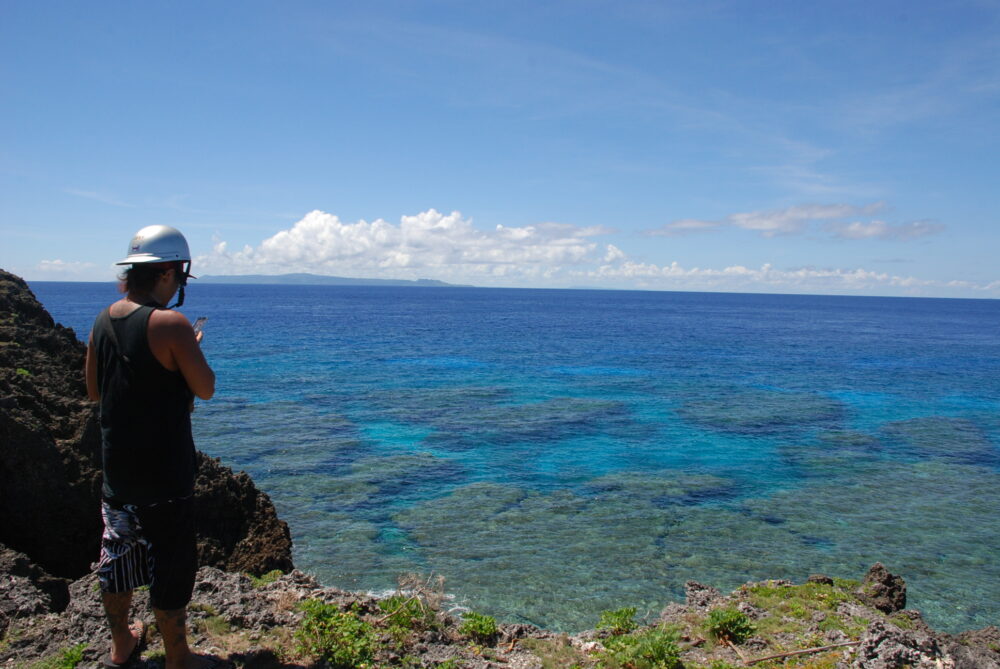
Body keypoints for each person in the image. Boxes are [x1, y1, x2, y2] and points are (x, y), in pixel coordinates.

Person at [85, 225, 218, 669]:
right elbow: (205, 388)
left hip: (117, 469)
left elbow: (93, 390)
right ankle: (178, 657)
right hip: (164, 473)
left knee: (118, 556)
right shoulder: (172, 324)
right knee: (172, 562)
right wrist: (186, 351)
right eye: (180, 275)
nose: (180, 284)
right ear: (166, 274)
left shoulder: (104, 319)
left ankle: (122, 644)